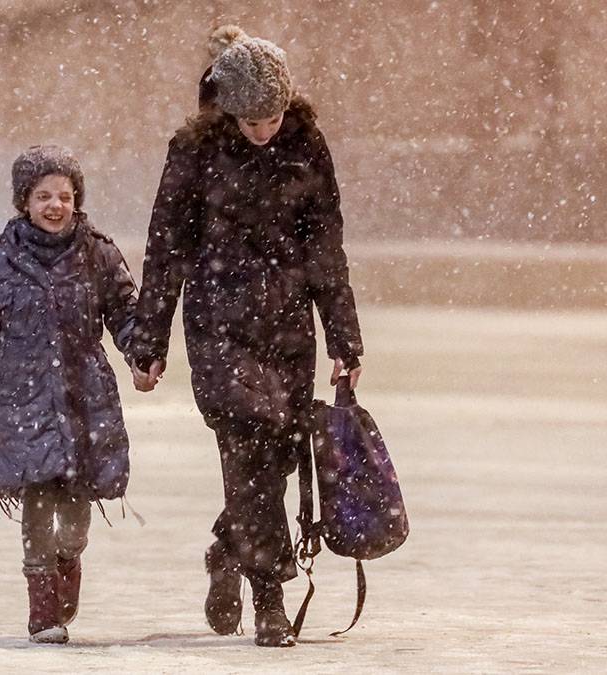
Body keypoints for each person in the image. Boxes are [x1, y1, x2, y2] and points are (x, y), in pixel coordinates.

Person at [130, 26, 364, 648]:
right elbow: (166, 249)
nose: (265, 129)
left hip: (289, 325)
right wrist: (149, 343)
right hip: (218, 324)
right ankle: (270, 597)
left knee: (279, 456)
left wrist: (345, 339)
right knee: (247, 445)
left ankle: (226, 549)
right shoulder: (193, 151)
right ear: (226, 110)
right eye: (252, 120)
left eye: (275, 116)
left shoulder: (306, 144)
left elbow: (325, 246)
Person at [0, 146, 138, 644]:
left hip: (85, 398)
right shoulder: (3, 264)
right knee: (38, 502)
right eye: (44, 196)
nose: (55, 205)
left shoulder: (99, 254)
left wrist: (142, 358)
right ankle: (42, 610)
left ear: (77, 200)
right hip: (24, 401)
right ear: (25, 202)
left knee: (77, 515)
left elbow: (126, 313)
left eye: (64, 195)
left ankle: (68, 560)